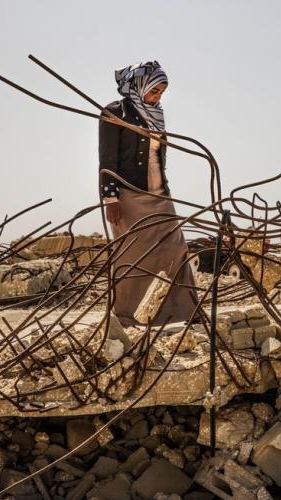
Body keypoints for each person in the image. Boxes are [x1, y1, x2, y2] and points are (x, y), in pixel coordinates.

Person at [98, 60, 197, 327]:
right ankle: (128, 315)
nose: (157, 97)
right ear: (140, 86)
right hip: (128, 194)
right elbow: (107, 158)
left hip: (160, 193)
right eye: (154, 91)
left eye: (161, 92)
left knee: (175, 248)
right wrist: (110, 198)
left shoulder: (157, 115)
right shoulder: (114, 112)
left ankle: (183, 311)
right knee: (133, 255)